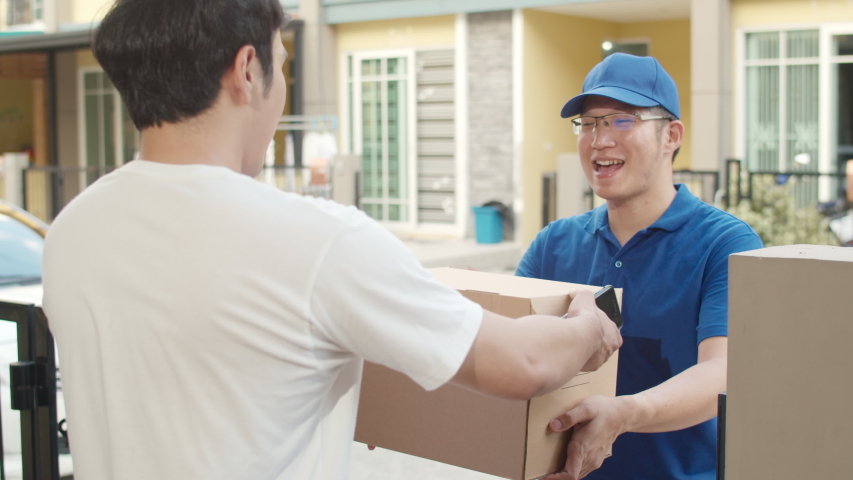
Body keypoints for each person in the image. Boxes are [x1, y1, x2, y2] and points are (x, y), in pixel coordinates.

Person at [40, 1, 621, 479]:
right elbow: (520, 362)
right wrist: (588, 325)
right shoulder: (313, 242)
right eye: (282, 65)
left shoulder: (73, 230)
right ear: (247, 71)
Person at [516, 53, 764, 480]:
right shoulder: (553, 244)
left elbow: (723, 373)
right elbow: (505, 346)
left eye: (621, 120)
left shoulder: (724, 244)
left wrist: (626, 412)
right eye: (588, 123)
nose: (599, 139)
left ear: (671, 136)